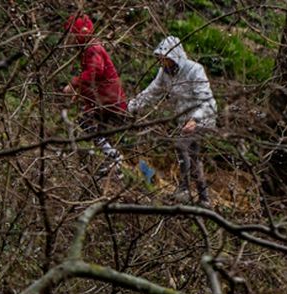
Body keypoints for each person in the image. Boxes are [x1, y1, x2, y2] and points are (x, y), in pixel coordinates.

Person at [128, 36, 218, 205]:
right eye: (160, 59)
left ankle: (184, 188)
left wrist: (196, 119)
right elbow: (152, 91)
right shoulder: (165, 73)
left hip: (203, 117)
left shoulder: (194, 70)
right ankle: (205, 199)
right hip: (184, 121)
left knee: (180, 145)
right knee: (194, 157)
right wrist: (132, 106)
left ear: (174, 56)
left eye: (165, 58)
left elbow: (206, 99)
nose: (162, 62)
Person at [63, 14, 127, 176]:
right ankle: (113, 166)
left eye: (71, 33)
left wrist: (74, 83)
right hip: (106, 100)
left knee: (89, 125)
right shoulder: (90, 48)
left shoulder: (93, 48)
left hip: (108, 101)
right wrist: (80, 92)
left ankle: (113, 158)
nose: (69, 38)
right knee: (92, 128)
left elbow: (95, 72)